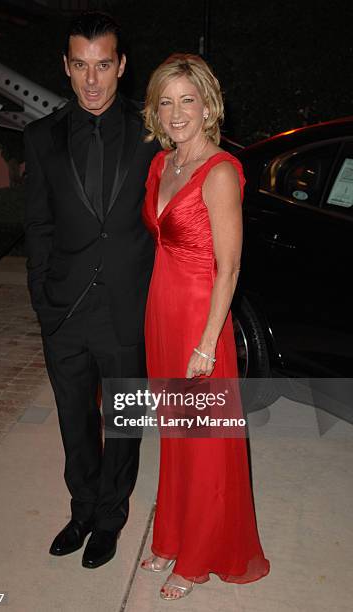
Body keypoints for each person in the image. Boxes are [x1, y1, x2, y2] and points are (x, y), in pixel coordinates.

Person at [23, 11, 159, 569]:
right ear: (66, 67)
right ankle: (81, 509)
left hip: (127, 308)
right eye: (80, 66)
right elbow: (38, 228)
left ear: (122, 66)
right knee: (72, 417)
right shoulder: (40, 137)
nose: (92, 80)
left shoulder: (154, 132)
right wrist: (42, 303)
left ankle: (111, 516)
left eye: (103, 65)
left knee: (123, 421)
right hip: (66, 310)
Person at [140, 54, 270, 600]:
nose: (176, 112)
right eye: (166, 101)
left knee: (206, 443)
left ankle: (197, 558)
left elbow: (230, 268)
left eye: (187, 100)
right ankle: (171, 534)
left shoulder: (220, 172)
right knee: (176, 436)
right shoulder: (161, 166)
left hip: (200, 319)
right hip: (161, 310)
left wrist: (205, 345)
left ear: (207, 105)